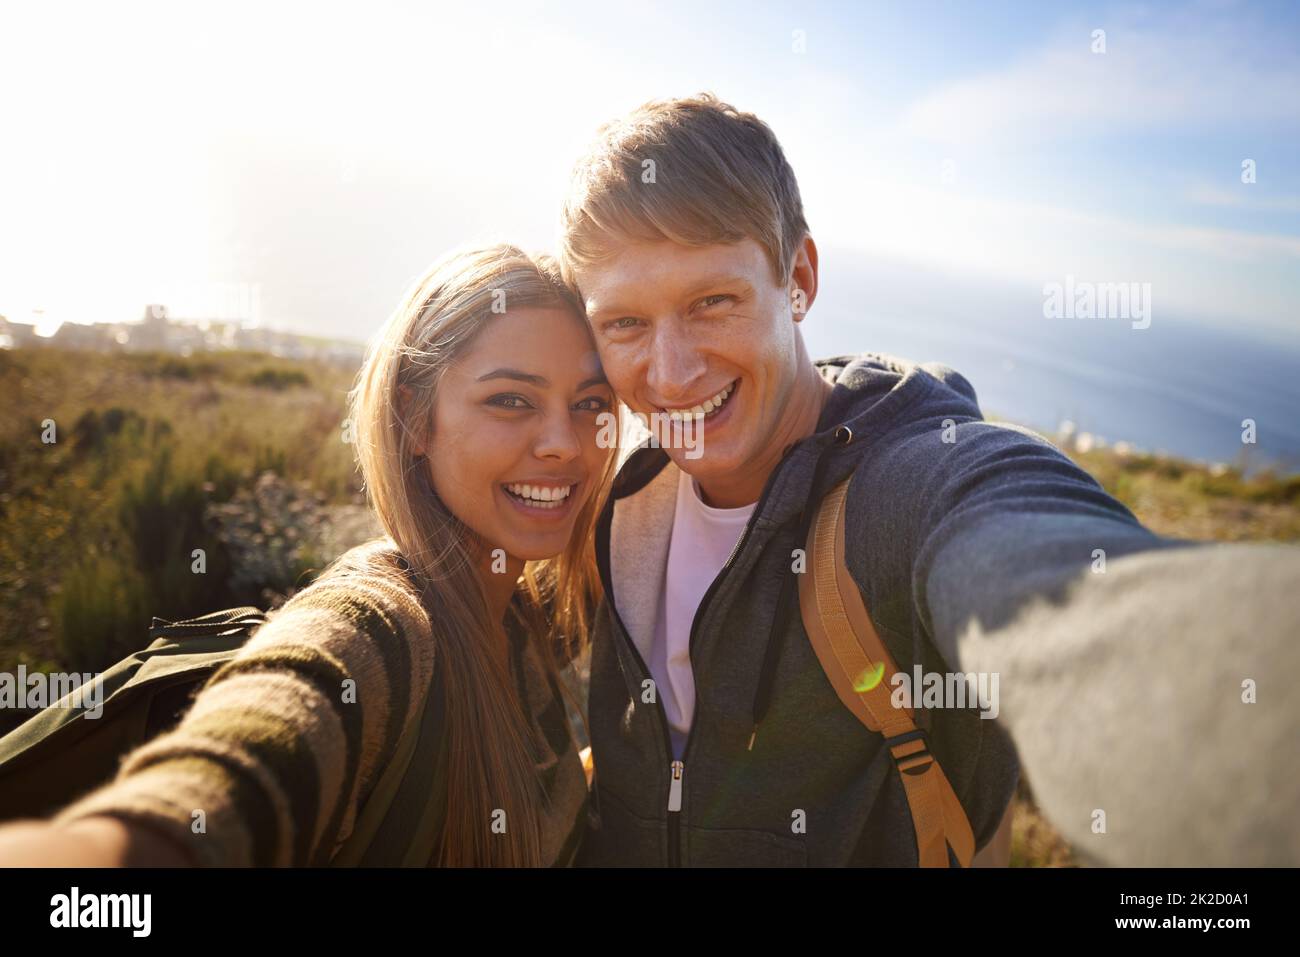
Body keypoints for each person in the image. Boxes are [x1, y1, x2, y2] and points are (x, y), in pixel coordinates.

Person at [558, 93, 1300, 867]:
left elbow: (1034, 555)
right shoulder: (626, 503)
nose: (671, 373)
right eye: (625, 324)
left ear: (799, 277)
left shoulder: (907, 487)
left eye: (712, 301)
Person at [0, 243, 619, 866]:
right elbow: (231, 769)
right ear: (415, 418)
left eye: (591, 403)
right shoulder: (378, 627)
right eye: (511, 400)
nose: (564, 444)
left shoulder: (519, 615)